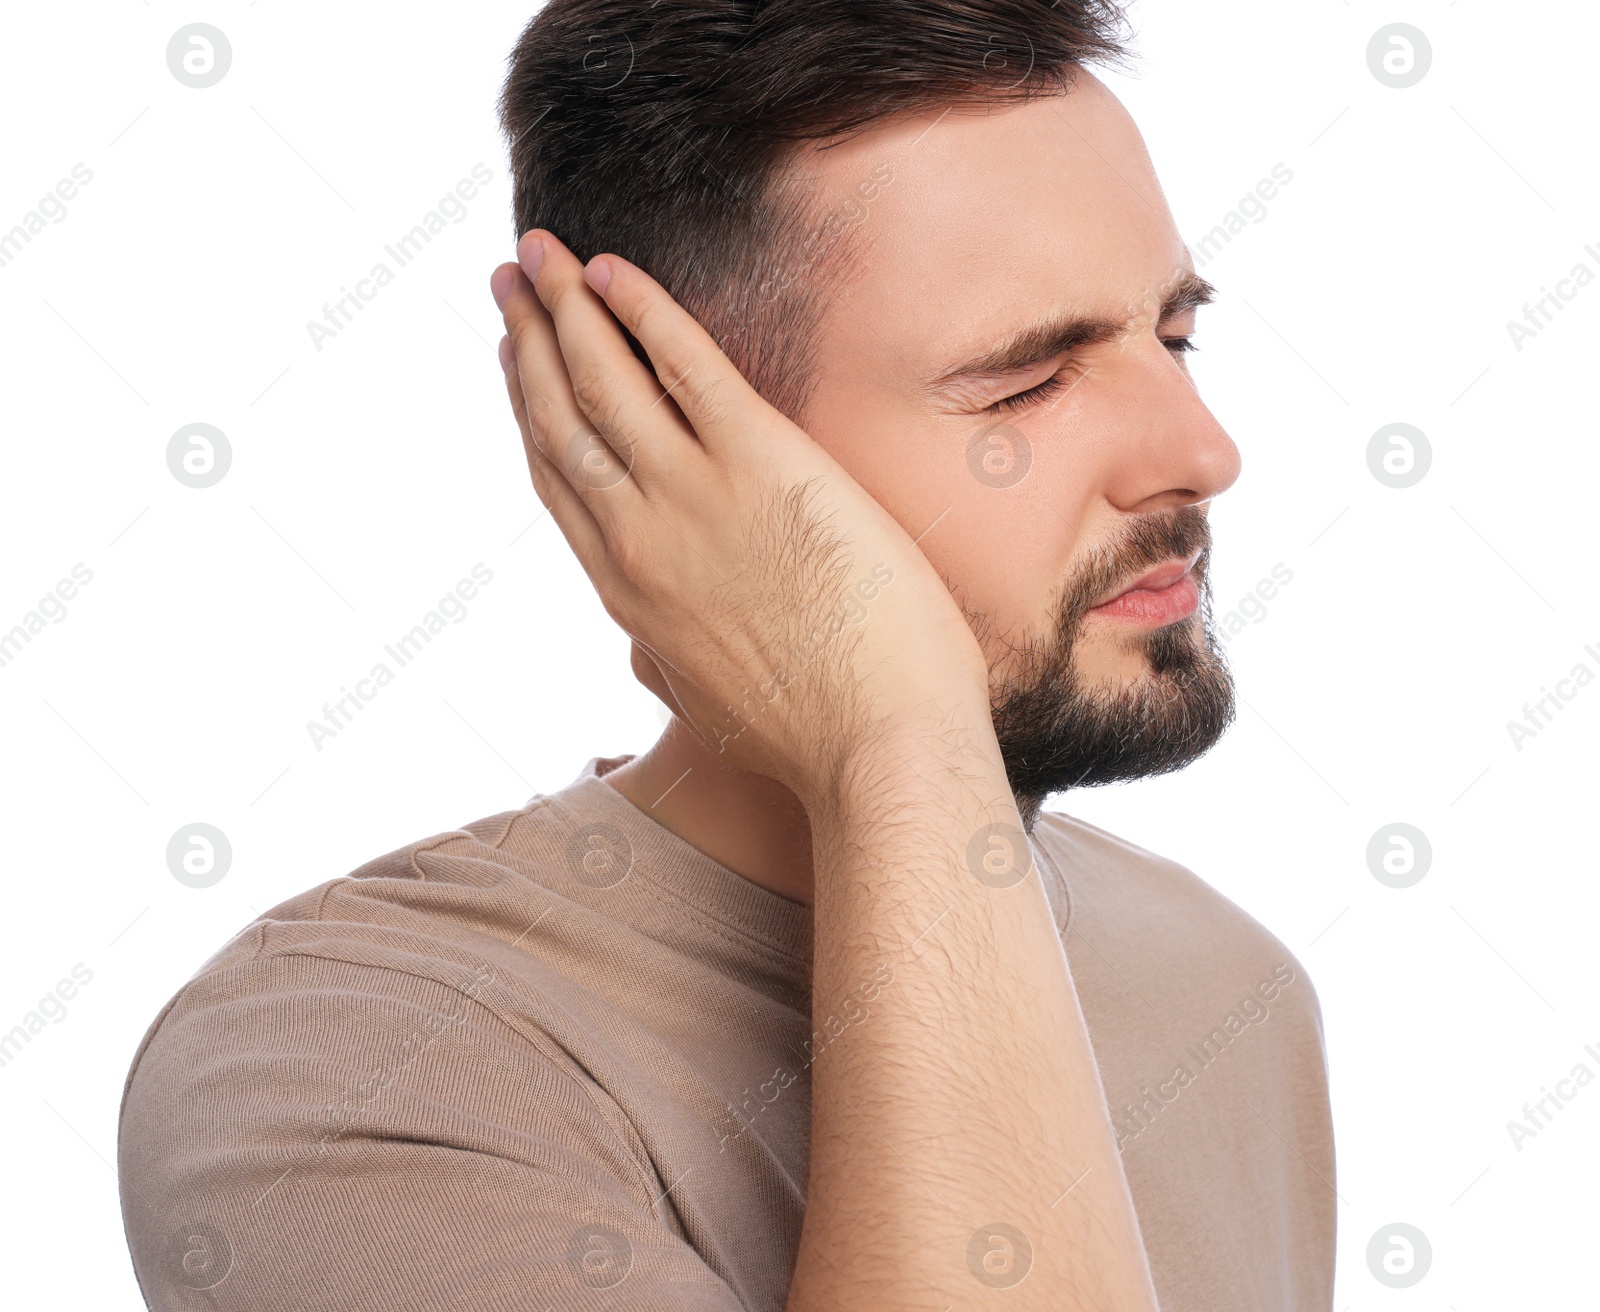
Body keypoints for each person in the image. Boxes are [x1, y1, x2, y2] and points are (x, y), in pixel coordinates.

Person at [118, 3, 1335, 1308]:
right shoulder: (351, 1075)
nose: (1204, 454)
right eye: (1026, 383)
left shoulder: (1230, 990)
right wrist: (893, 737)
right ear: (645, 427)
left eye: (1174, 336)